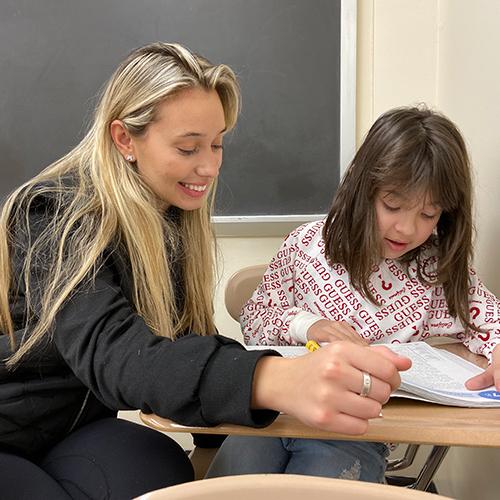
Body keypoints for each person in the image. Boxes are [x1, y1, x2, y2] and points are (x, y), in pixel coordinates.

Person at [0, 42, 411, 498]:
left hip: (70, 429)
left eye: (216, 144)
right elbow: (115, 355)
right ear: (124, 139)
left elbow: (183, 343)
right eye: (188, 147)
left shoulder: (165, 217)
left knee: (160, 468)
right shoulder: (49, 215)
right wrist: (271, 379)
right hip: (9, 433)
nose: (210, 165)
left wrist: (221, 443)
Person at [205, 105, 500, 483]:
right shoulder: (308, 245)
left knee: (325, 476)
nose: (406, 228)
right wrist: (308, 325)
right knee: (237, 479)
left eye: (428, 215)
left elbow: (489, 322)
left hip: (356, 429)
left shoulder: (436, 269)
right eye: (392, 205)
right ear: (364, 188)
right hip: (278, 416)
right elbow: (256, 316)